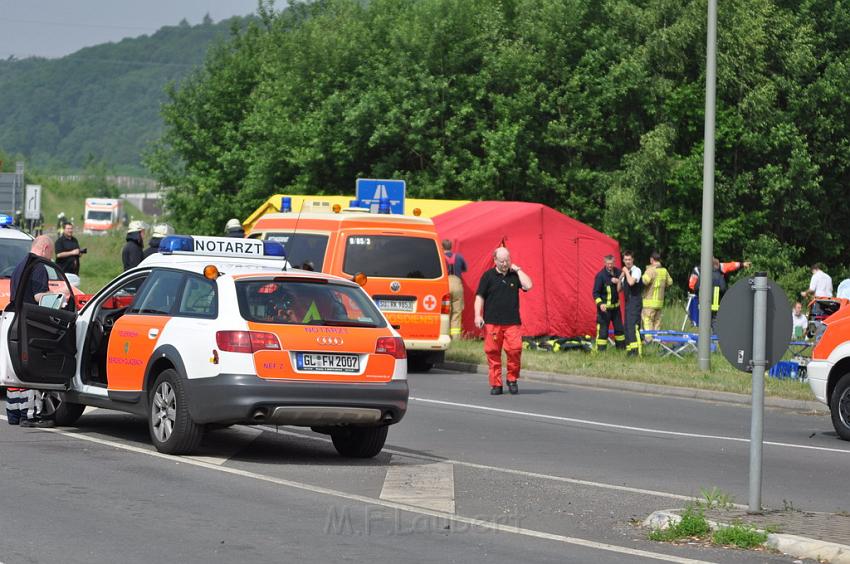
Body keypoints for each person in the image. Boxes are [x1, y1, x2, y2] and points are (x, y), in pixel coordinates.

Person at [6, 235, 62, 428]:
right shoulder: (38, 267)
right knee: (33, 369)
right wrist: (58, 298)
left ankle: (14, 413)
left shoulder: (20, 266)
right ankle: (31, 415)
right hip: (32, 325)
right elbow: (39, 297)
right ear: (45, 247)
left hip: (15, 322)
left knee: (17, 372)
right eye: (51, 253)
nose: (50, 257)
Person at [474, 247, 532, 395]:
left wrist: (518, 270)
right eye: (502, 261)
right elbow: (479, 297)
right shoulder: (488, 276)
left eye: (507, 260)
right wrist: (477, 315)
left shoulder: (514, 275)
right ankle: (496, 384)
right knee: (493, 353)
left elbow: (528, 285)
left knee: (515, 350)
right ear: (495, 261)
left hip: (512, 322)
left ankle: (512, 379)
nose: (505, 264)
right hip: (492, 322)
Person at [592, 255, 625, 351]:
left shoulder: (618, 272)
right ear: (605, 263)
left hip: (616, 309)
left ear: (614, 263)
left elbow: (624, 284)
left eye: (611, 263)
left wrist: (619, 281)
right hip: (604, 310)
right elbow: (595, 293)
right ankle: (601, 352)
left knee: (619, 330)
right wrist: (600, 304)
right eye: (608, 263)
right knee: (603, 331)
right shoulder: (600, 276)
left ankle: (621, 350)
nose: (610, 265)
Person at [641, 251, 673, 337]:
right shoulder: (664, 271)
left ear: (651, 260)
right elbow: (670, 282)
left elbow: (644, 281)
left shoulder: (651, 270)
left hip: (649, 302)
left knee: (647, 321)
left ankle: (649, 341)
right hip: (659, 303)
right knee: (657, 322)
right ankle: (656, 341)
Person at [443, 239, 467, 340]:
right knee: (456, 313)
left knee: (444, 312)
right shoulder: (459, 257)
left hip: (445, 285)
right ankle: (456, 338)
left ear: (442, 247)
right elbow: (465, 269)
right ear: (451, 247)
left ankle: (444, 335)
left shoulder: (440, 256)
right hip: (457, 285)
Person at [694, 258, 727, 333]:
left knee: (704, 322)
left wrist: (699, 297)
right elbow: (723, 289)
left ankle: (703, 341)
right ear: (717, 265)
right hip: (715, 304)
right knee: (714, 321)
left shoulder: (703, 275)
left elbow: (696, 288)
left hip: (704, 304)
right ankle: (715, 340)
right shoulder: (719, 276)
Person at [620, 250, 642, 356]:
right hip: (628, 302)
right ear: (623, 260)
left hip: (635, 300)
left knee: (632, 326)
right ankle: (629, 350)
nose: (628, 262)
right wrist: (620, 278)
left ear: (633, 260)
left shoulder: (636, 270)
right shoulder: (626, 273)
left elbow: (631, 282)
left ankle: (635, 351)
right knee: (627, 327)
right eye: (626, 259)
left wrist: (626, 272)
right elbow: (619, 289)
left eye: (629, 259)